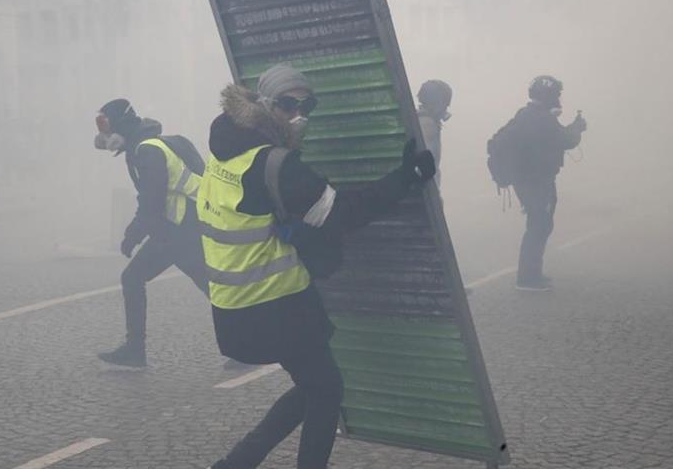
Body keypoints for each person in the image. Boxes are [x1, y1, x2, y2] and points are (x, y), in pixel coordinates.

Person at [200, 64, 435, 469]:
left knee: (314, 386)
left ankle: (235, 464)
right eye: (288, 104)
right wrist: (404, 177)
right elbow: (344, 212)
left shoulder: (223, 153)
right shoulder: (276, 164)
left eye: (307, 104)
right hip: (277, 307)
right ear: (265, 103)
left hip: (231, 312)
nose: (299, 114)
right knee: (325, 389)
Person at [93, 99, 208, 367]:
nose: (104, 136)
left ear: (120, 124)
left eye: (105, 126)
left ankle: (135, 350)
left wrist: (132, 235)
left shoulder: (147, 151)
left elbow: (151, 200)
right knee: (211, 286)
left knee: (132, 278)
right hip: (182, 228)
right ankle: (246, 345)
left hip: (178, 229)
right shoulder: (144, 147)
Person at [508, 76, 587, 291]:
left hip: (529, 179)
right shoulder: (542, 119)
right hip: (536, 180)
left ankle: (531, 274)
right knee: (539, 225)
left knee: (539, 223)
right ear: (548, 96)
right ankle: (527, 278)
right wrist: (577, 128)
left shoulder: (526, 114)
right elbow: (565, 140)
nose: (558, 99)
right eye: (556, 95)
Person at [416, 79, 452, 188]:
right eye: (445, 104)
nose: (446, 108)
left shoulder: (418, 120)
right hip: (427, 191)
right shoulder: (428, 125)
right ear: (436, 103)